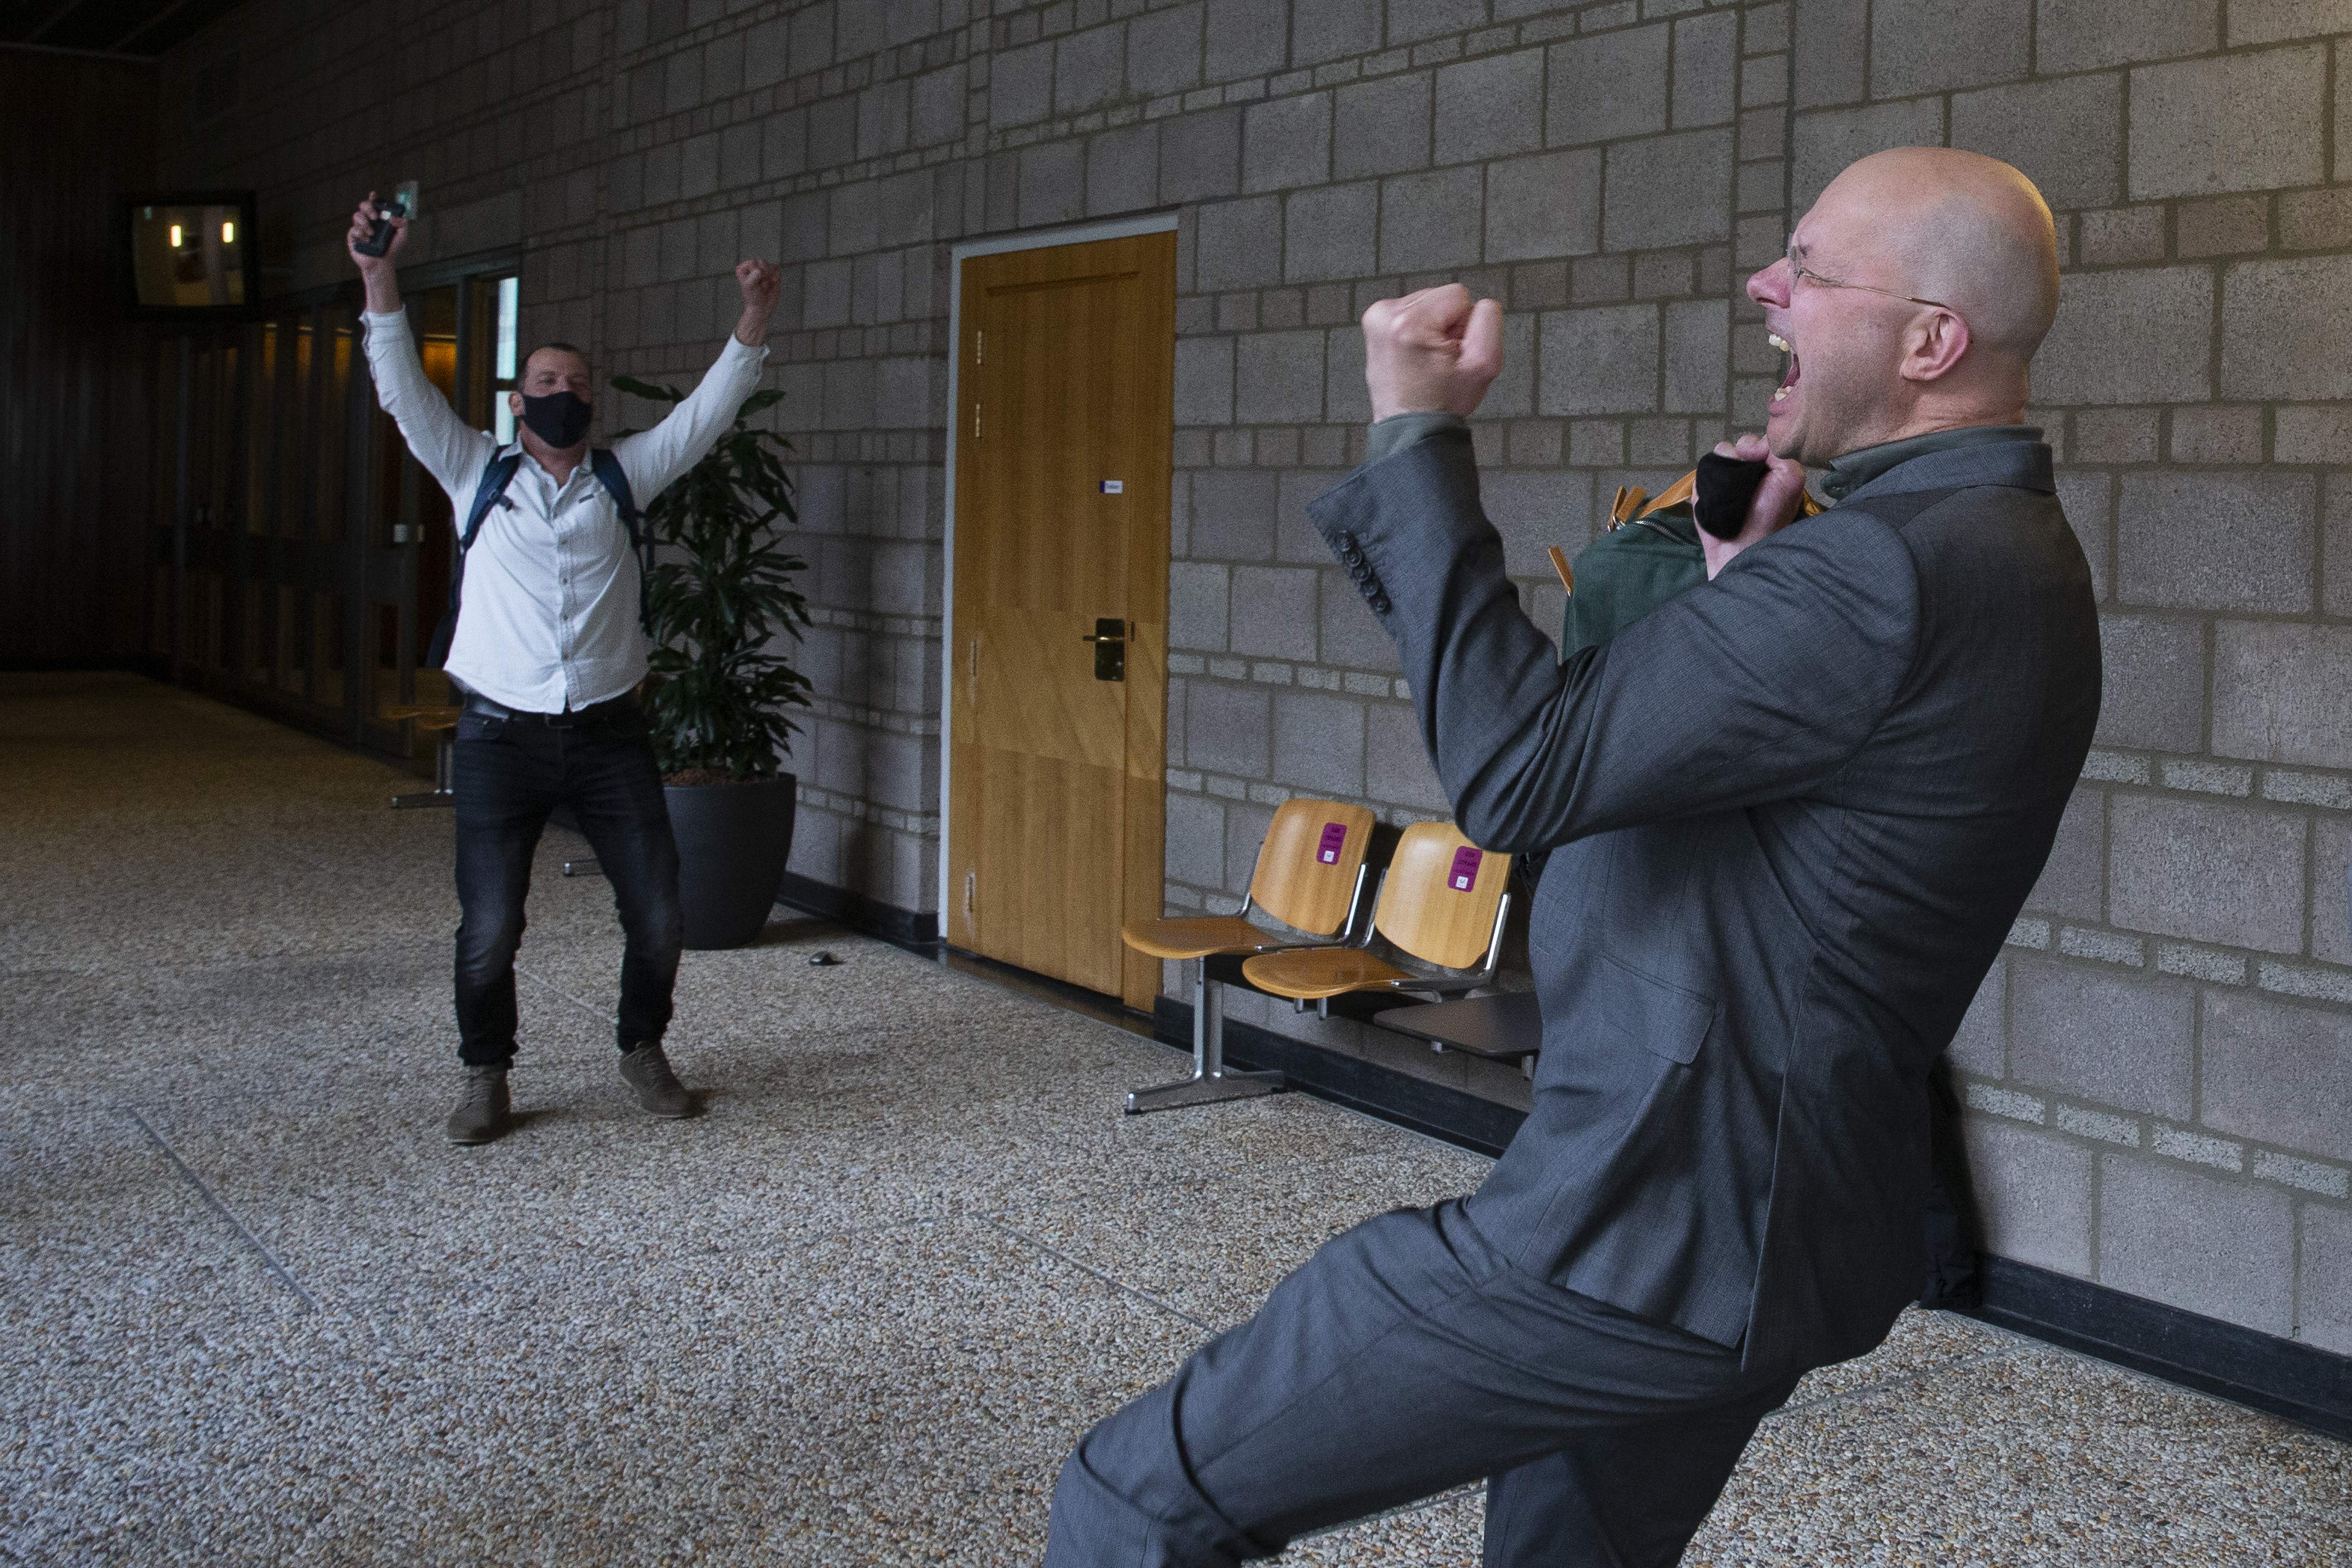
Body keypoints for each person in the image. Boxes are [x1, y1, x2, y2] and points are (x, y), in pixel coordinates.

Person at [1045, 146, 2101, 1566]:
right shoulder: (2005, 544)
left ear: (1930, 339)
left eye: (1810, 268)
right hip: (1781, 1231)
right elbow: (1785, 811)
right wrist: (1737, 590)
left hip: (1652, 1228)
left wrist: (1418, 432)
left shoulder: (1885, 569)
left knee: (1136, 1496)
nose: (1765, 284)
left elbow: (1520, 769)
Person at [346, 193, 782, 1146]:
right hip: (500, 736)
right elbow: (401, 390)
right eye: (546, 377)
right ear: (516, 398)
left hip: (607, 736)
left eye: (577, 381)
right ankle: (486, 1073)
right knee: (491, 925)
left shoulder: (626, 477)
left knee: (660, 908)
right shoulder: (476, 472)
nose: (564, 391)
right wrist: (380, 277)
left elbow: (709, 415)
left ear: (592, 400)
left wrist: (752, 320)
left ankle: (642, 1048)